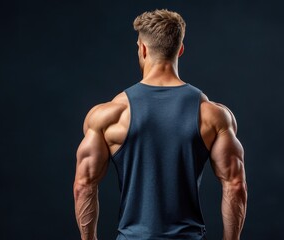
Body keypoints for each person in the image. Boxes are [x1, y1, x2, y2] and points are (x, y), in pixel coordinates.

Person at [73, 9, 247, 240]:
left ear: (143, 49)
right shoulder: (212, 115)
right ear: (180, 49)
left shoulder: (109, 115)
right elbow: (235, 185)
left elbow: (84, 186)